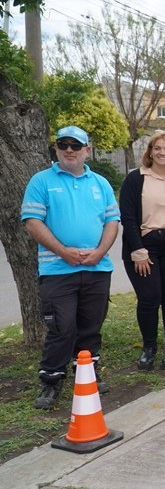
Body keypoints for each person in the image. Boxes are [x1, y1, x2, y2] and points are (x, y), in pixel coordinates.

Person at [24, 125, 120, 409]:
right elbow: (32, 222)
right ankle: (51, 381)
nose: (69, 150)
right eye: (63, 144)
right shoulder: (41, 181)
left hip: (97, 268)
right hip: (57, 271)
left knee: (91, 326)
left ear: (86, 150)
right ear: (55, 148)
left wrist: (100, 252)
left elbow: (112, 222)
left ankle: (87, 373)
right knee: (62, 328)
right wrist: (63, 251)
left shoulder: (100, 183)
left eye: (75, 146)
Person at [120, 130, 165, 371]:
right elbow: (127, 217)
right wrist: (138, 249)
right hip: (144, 245)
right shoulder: (135, 178)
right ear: (149, 152)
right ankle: (149, 347)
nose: (162, 152)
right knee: (149, 298)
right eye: (157, 148)